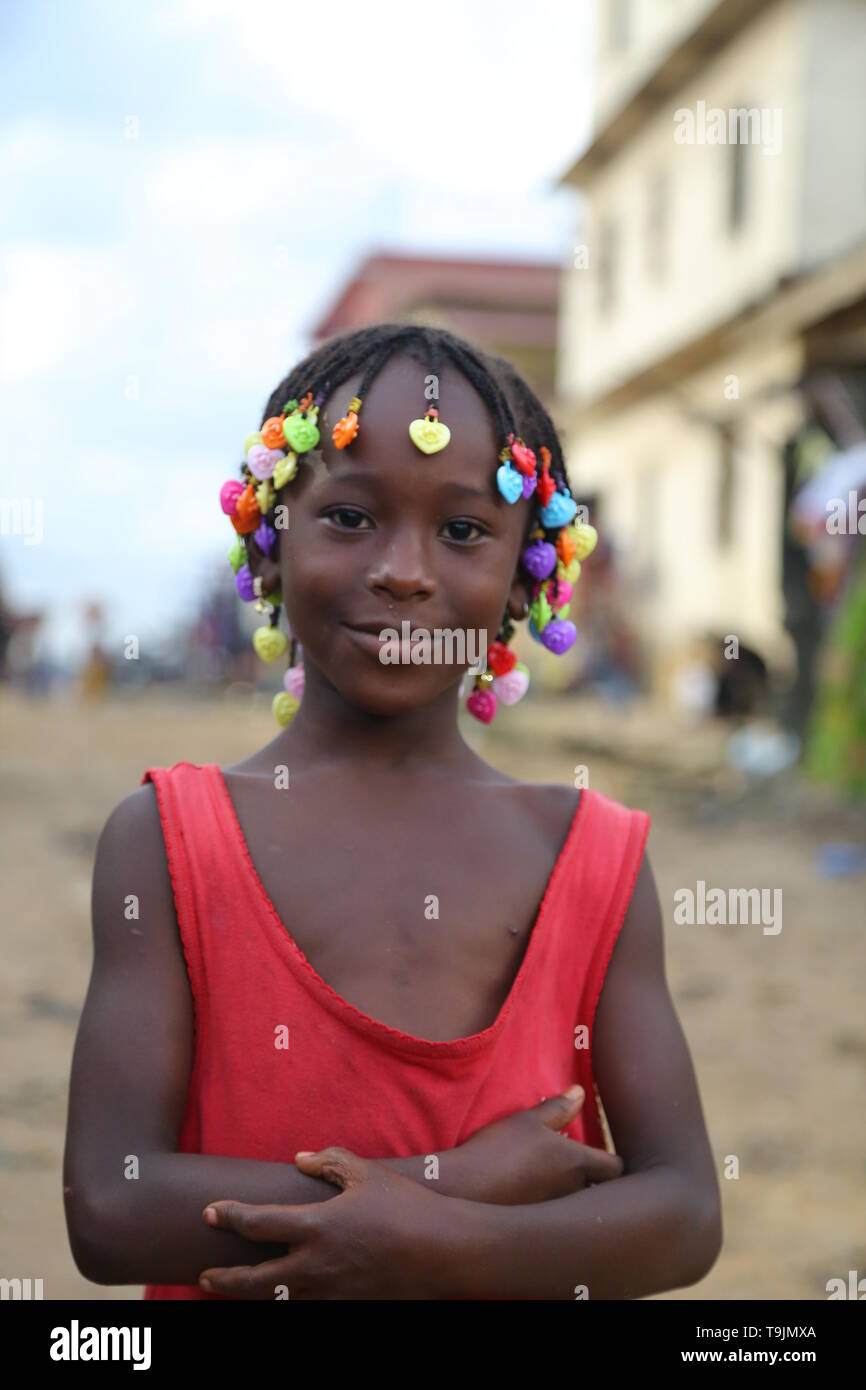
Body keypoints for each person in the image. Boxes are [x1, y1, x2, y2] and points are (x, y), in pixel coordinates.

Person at [63, 323, 721, 1300]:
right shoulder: (167, 841)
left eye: (461, 531)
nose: (403, 569)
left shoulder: (589, 857)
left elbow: (683, 1212)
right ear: (269, 541)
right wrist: (449, 1188)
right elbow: (111, 1210)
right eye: (348, 517)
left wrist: (440, 1245)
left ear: (522, 575)